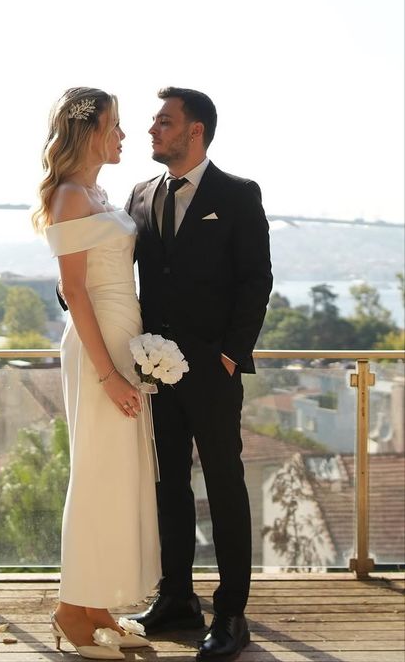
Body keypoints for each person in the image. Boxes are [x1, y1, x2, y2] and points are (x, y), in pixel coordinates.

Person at [125, 87, 273, 661]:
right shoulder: (141, 194)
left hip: (213, 372)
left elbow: (255, 280)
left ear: (196, 131)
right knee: (168, 486)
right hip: (154, 370)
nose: (152, 130)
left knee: (225, 484)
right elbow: (121, 266)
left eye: (164, 122)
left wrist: (230, 356)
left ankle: (232, 612)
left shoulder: (237, 194)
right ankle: (176, 597)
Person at [32, 87, 161, 660]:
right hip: (97, 347)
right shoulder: (68, 196)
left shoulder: (98, 194)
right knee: (95, 473)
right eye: (115, 125)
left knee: (117, 474)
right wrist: (108, 374)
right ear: (89, 132)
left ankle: (97, 606)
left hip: (122, 336)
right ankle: (70, 607)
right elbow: (75, 290)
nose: (124, 136)